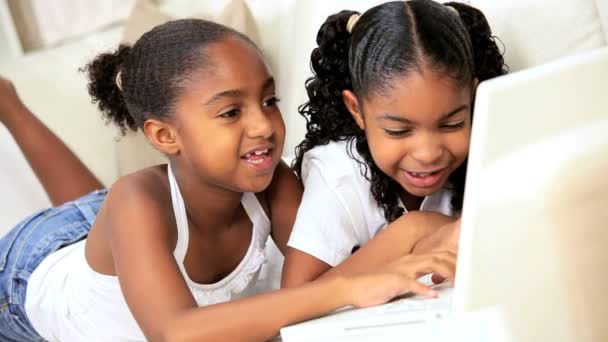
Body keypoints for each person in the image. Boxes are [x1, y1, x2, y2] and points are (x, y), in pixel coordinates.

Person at [0, 19, 456, 342]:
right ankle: (11, 109)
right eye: (231, 112)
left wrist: (416, 233)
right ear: (163, 135)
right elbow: (176, 332)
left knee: (96, 218)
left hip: (119, 234)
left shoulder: (276, 184)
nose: (263, 125)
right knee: (87, 220)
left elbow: (307, 293)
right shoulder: (136, 197)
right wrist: (350, 285)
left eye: (269, 100)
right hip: (24, 275)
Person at [282, 0, 508, 287]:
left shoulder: (489, 148)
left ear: (473, 98)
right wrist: (414, 231)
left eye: (452, 124)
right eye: (398, 131)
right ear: (357, 111)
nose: (428, 154)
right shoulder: (338, 173)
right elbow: (294, 300)